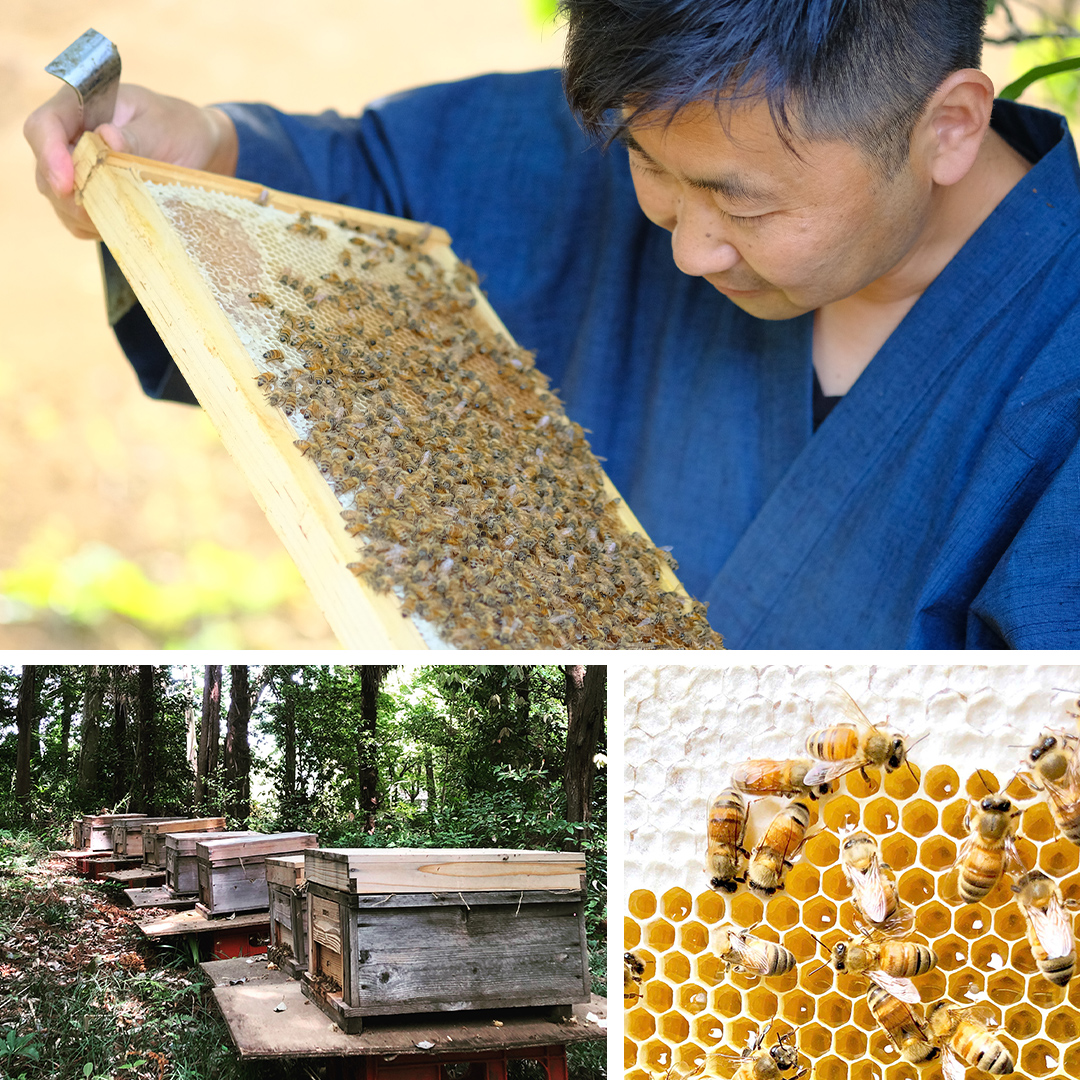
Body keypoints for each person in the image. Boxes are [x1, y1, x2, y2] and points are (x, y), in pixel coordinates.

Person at [25, 0, 1080, 648]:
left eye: (744, 202)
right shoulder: (667, 106)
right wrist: (200, 151)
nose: (690, 246)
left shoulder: (1057, 362)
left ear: (948, 125)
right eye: (650, 172)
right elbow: (359, 202)